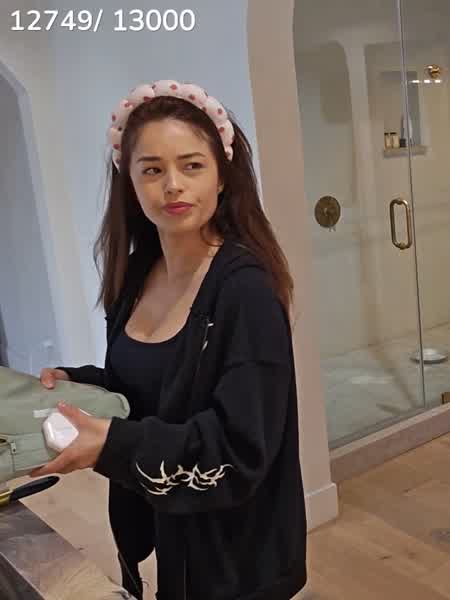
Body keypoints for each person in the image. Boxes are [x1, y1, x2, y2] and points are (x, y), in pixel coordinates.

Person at [33, 79, 308, 600]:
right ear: (130, 184)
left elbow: (240, 448)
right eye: (152, 170)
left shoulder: (245, 292)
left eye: (192, 165)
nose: (173, 185)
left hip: (236, 557)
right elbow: (160, 387)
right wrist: (83, 386)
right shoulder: (136, 274)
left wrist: (111, 445)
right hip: (165, 532)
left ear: (222, 177)